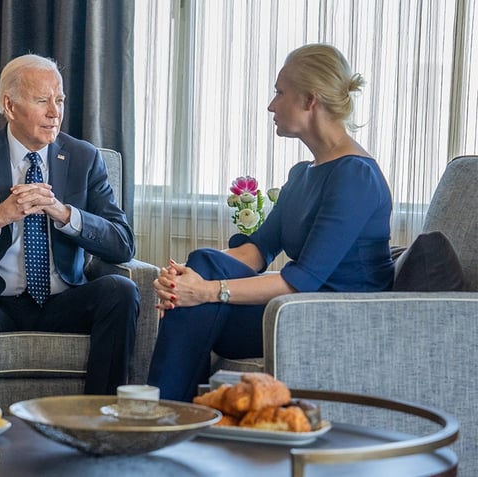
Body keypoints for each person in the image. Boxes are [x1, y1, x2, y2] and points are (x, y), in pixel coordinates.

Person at [148, 44, 394, 401]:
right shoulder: (303, 175)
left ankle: (165, 417)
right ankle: (175, 417)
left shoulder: (355, 177)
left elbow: (303, 281)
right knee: (202, 264)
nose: (271, 105)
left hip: (339, 319)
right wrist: (189, 276)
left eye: (280, 93)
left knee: (201, 295)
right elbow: (257, 250)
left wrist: (207, 289)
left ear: (310, 100)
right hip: (297, 310)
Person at [0, 54, 139, 404]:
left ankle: (98, 417)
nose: (54, 112)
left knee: (121, 290)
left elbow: (122, 243)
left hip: (65, 299)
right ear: (10, 106)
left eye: (59, 100)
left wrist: (64, 214)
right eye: (41, 100)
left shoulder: (84, 158)